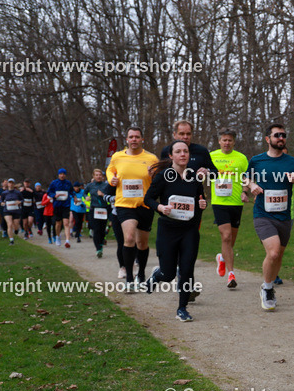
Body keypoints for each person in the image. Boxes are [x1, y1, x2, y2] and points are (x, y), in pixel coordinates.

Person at [244, 123, 294, 311]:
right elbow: (245, 178)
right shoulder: (257, 160)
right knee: (273, 252)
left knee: (278, 255)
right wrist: (250, 185)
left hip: (285, 215)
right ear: (267, 139)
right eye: (277, 135)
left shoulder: (292, 161)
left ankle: (268, 284)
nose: (281, 138)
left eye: (284, 135)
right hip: (263, 214)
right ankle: (267, 288)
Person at [144, 142, 207, 321]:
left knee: (187, 269)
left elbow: (200, 200)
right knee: (169, 274)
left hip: (190, 230)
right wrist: (160, 207)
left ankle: (182, 308)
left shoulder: (194, 177)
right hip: (168, 230)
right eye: (178, 152)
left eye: (185, 151)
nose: (182, 154)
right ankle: (157, 275)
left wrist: (203, 204)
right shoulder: (163, 176)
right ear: (171, 156)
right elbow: (148, 199)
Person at [107, 126, 158, 291]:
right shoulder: (117, 156)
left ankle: (141, 274)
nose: (134, 139)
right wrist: (111, 180)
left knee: (142, 243)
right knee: (129, 238)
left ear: (142, 139)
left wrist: (154, 177)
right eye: (131, 137)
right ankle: (129, 278)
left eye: (137, 137)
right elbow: (110, 170)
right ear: (127, 139)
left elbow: (158, 179)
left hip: (144, 204)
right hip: (124, 204)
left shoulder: (151, 158)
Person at [209, 128, 249, 289]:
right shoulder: (211, 156)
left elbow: (247, 177)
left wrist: (245, 192)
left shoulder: (241, 158)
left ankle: (222, 258)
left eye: (230, 140)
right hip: (219, 202)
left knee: (230, 240)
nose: (227, 143)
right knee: (225, 237)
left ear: (234, 142)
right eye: (224, 140)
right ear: (219, 141)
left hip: (236, 203)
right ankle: (231, 274)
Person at [86, 169, 111, 258]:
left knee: (102, 229)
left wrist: (102, 195)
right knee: (96, 229)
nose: (98, 176)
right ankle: (98, 249)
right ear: (93, 176)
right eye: (96, 175)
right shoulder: (90, 185)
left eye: (100, 175)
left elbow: (110, 196)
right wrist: (86, 198)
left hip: (104, 209)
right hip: (94, 209)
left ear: (102, 176)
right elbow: (84, 194)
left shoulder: (106, 185)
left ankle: (100, 244)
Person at [47, 169, 73, 246]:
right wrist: (54, 195)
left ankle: (67, 241)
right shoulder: (54, 183)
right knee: (58, 223)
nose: (62, 175)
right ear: (58, 175)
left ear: (65, 175)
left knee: (66, 223)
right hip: (57, 205)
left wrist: (73, 196)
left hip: (66, 205)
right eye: (61, 174)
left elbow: (71, 191)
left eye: (63, 174)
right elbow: (49, 192)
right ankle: (57, 236)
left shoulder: (68, 183)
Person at [0, 178, 24, 244]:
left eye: (12, 183)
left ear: (14, 184)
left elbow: (22, 200)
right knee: (9, 224)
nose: (11, 184)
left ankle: (16, 230)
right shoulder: (4, 193)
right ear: (7, 184)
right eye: (9, 183)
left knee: (16, 225)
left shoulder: (17, 192)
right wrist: (1, 203)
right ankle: (11, 240)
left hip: (16, 210)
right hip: (7, 210)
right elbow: (1, 200)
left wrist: (19, 202)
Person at [69, 181, 87, 246]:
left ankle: (78, 232)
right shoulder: (72, 192)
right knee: (76, 221)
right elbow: (70, 199)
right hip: (74, 209)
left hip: (81, 209)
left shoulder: (82, 192)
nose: (76, 188)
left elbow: (85, 198)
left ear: (79, 187)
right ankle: (77, 234)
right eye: (75, 187)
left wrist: (83, 204)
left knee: (80, 222)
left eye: (77, 187)